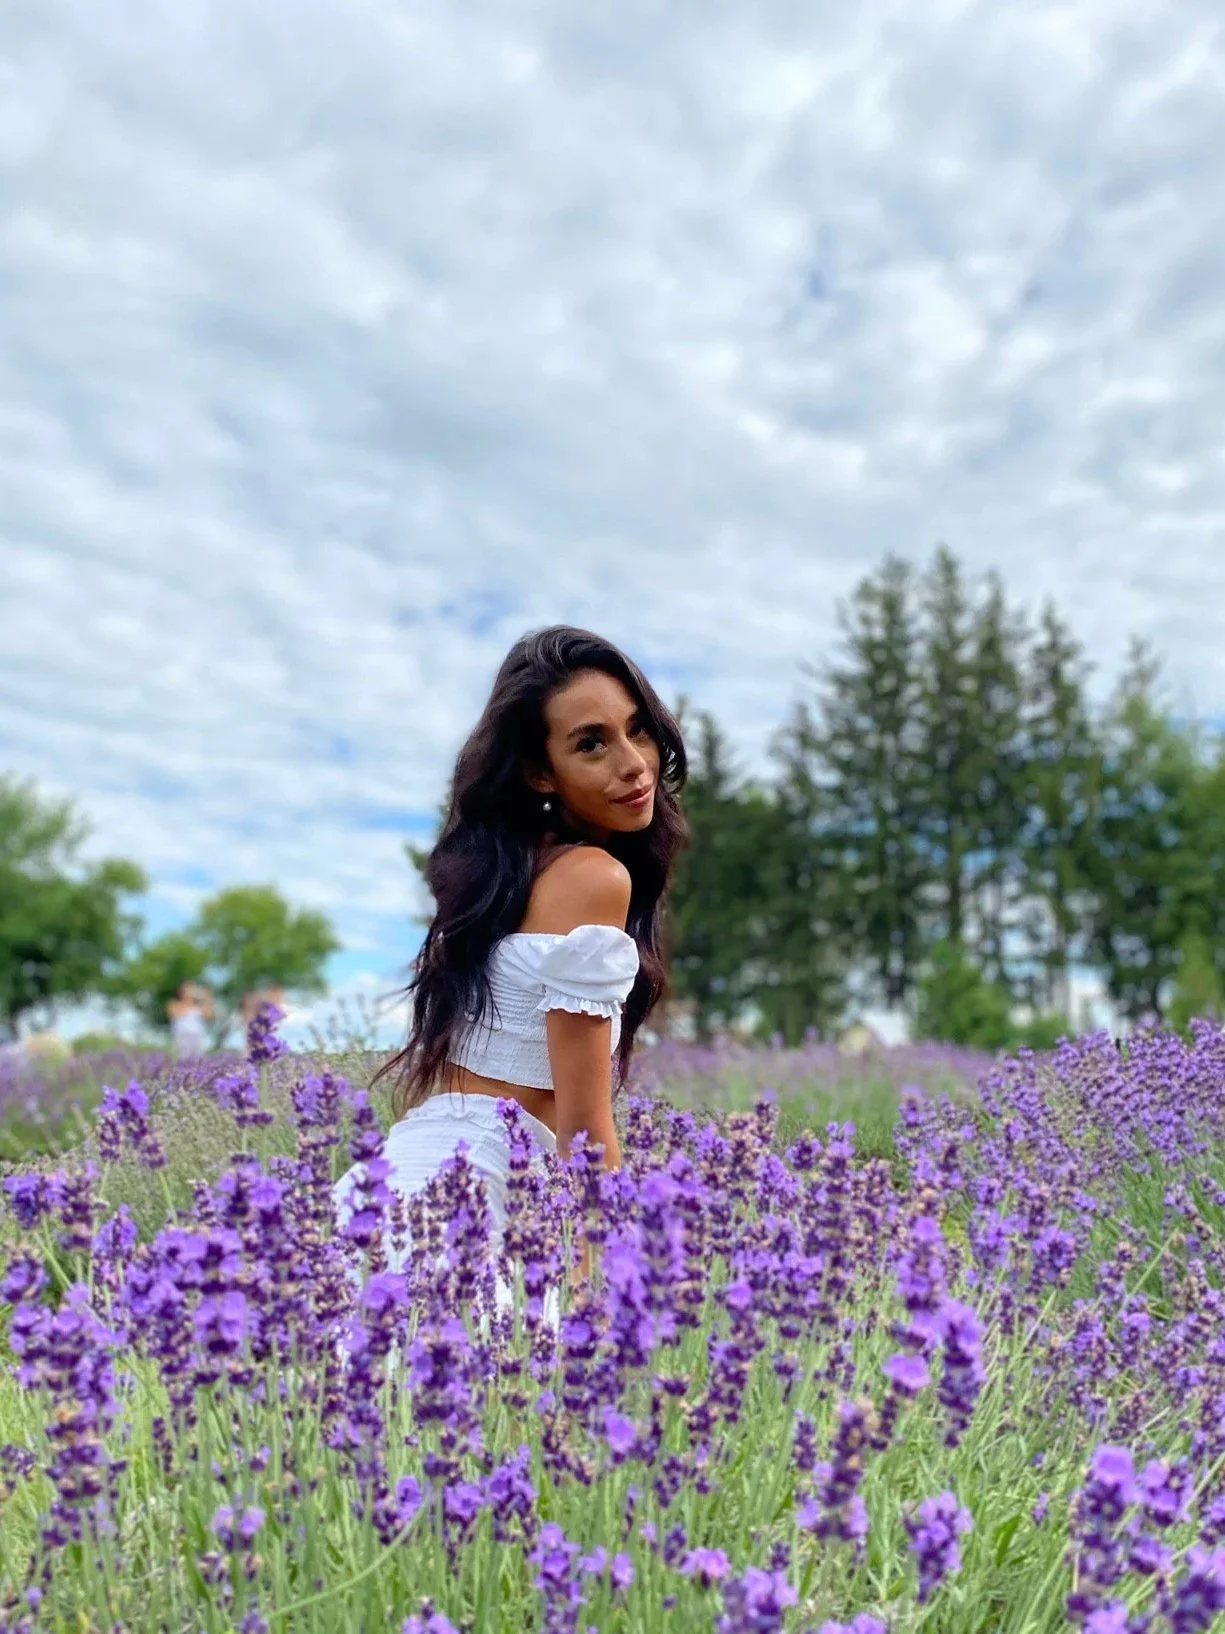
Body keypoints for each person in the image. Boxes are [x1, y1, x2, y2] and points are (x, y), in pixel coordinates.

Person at [333, 625, 689, 1277]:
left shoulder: (506, 878)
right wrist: (603, 1284)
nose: (634, 763)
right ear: (538, 772)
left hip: (407, 1173)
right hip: (478, 1198)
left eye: (637, 730)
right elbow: (584, 1130)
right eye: (591, 743)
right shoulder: (594, 880)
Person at [167, 980, 213, 1059]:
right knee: (182, 1058)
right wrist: (189, 1000)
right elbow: (174, 1013)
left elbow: (209, 1016)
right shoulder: (174, 1003)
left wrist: (207, 998)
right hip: (181, 1037)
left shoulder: (199, 1006)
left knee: (198, 1059)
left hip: (198, 1037)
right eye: (187, 989)